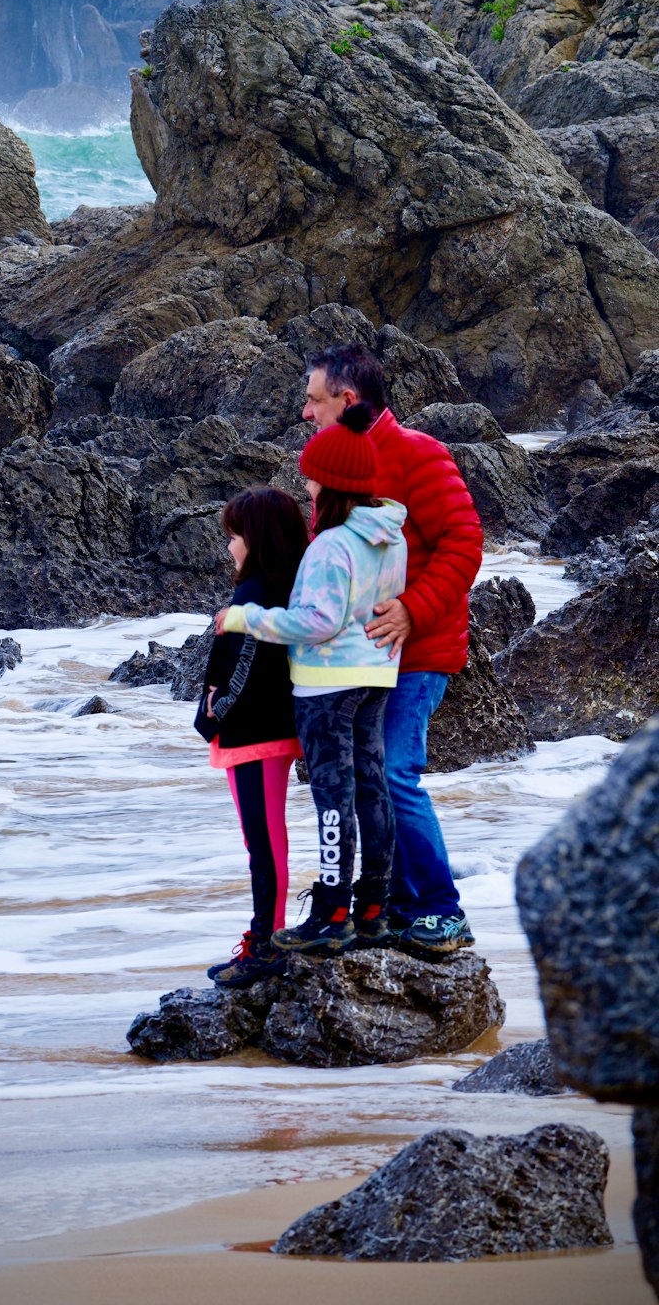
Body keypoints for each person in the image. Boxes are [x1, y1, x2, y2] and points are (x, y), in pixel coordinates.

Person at [301, 343, 484, 955]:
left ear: (347, 400)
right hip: (359, 661)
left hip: (419, 651)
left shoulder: (417, 453)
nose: (306, 412)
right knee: (366, 781)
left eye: (314, 399)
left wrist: (412, 609)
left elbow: (464, 542)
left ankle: (441, 908)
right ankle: (398, 904)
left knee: (397, 776)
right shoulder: (336, 464)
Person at [215, 405, 408, 956]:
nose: (306, 484)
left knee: (333, 797)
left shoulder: (329, 546)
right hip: (377, 674)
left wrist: (245, 619)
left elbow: (318, 622)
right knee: (373, 788)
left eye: (311, 476)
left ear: (332, 483)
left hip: (327, 685)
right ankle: (374, 907)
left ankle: (331, 912)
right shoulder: (390, 537)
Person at [196, 488, 310, 988]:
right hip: (263, 730)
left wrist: (215, 713)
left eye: (235, 536)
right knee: (265, 841)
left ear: (257, 538)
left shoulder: (256, 594)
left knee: (262, 842)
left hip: (256, 733)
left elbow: (244, 669)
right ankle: (266, 937)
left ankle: (266, 943)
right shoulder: (281, 588)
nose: (229, 548)